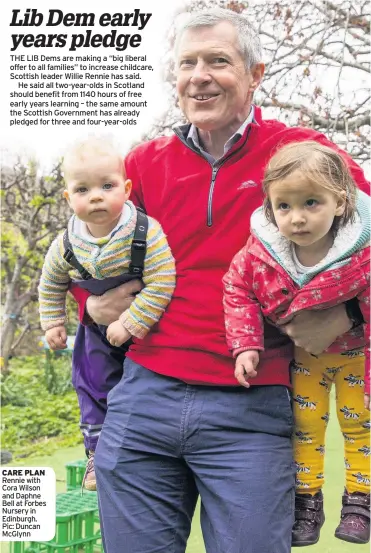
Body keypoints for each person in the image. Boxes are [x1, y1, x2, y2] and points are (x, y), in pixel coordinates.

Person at [70, 8, 370, 553]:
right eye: (187, 63)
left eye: (218, 61)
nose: (199, 76)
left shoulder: (305, 156)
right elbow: (82, 249)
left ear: (255, 74)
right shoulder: (144, 164)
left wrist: (348, 315)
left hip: (252, 403)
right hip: (143, 397)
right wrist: (90, 305)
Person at [223, 141, 370, 546]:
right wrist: (246, 343)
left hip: (360, 356)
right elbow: (238, 288)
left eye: (311, 203)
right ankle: (307, 502)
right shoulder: (263, 253)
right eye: (284, 206)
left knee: (360, 425)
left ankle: (360, 500)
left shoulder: (361, 249)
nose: (297, 218)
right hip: (307, 355)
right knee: (304, 428)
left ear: (340, 203)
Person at [38, 136, 176, 490]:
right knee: (91, 383)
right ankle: (96, 456)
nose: (96, 196)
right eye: (83, 189)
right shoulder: (67, 244)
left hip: (144, 327)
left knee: (140, 391)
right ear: (68, 198)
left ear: (126, 189)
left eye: (107, 186)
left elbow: (163, 280)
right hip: (95, 332)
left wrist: (131, 322)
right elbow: (50, 283)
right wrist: (53, 321)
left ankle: (149, 456)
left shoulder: (144, 232)